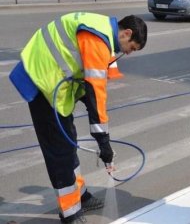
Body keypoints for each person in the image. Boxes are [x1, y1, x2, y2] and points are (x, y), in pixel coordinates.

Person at [9, 12, 147, 223]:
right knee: (60, 153)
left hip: (53, 84)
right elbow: (95, 93)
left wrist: (102, 138)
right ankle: (70, 213)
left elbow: (88, 84)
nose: (129, 53)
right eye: (132, 48)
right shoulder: (98, 39)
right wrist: (104, 143)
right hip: (40, 83)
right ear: (127, 33)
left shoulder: (104, 35)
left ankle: (79, 196)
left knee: (69, 142)